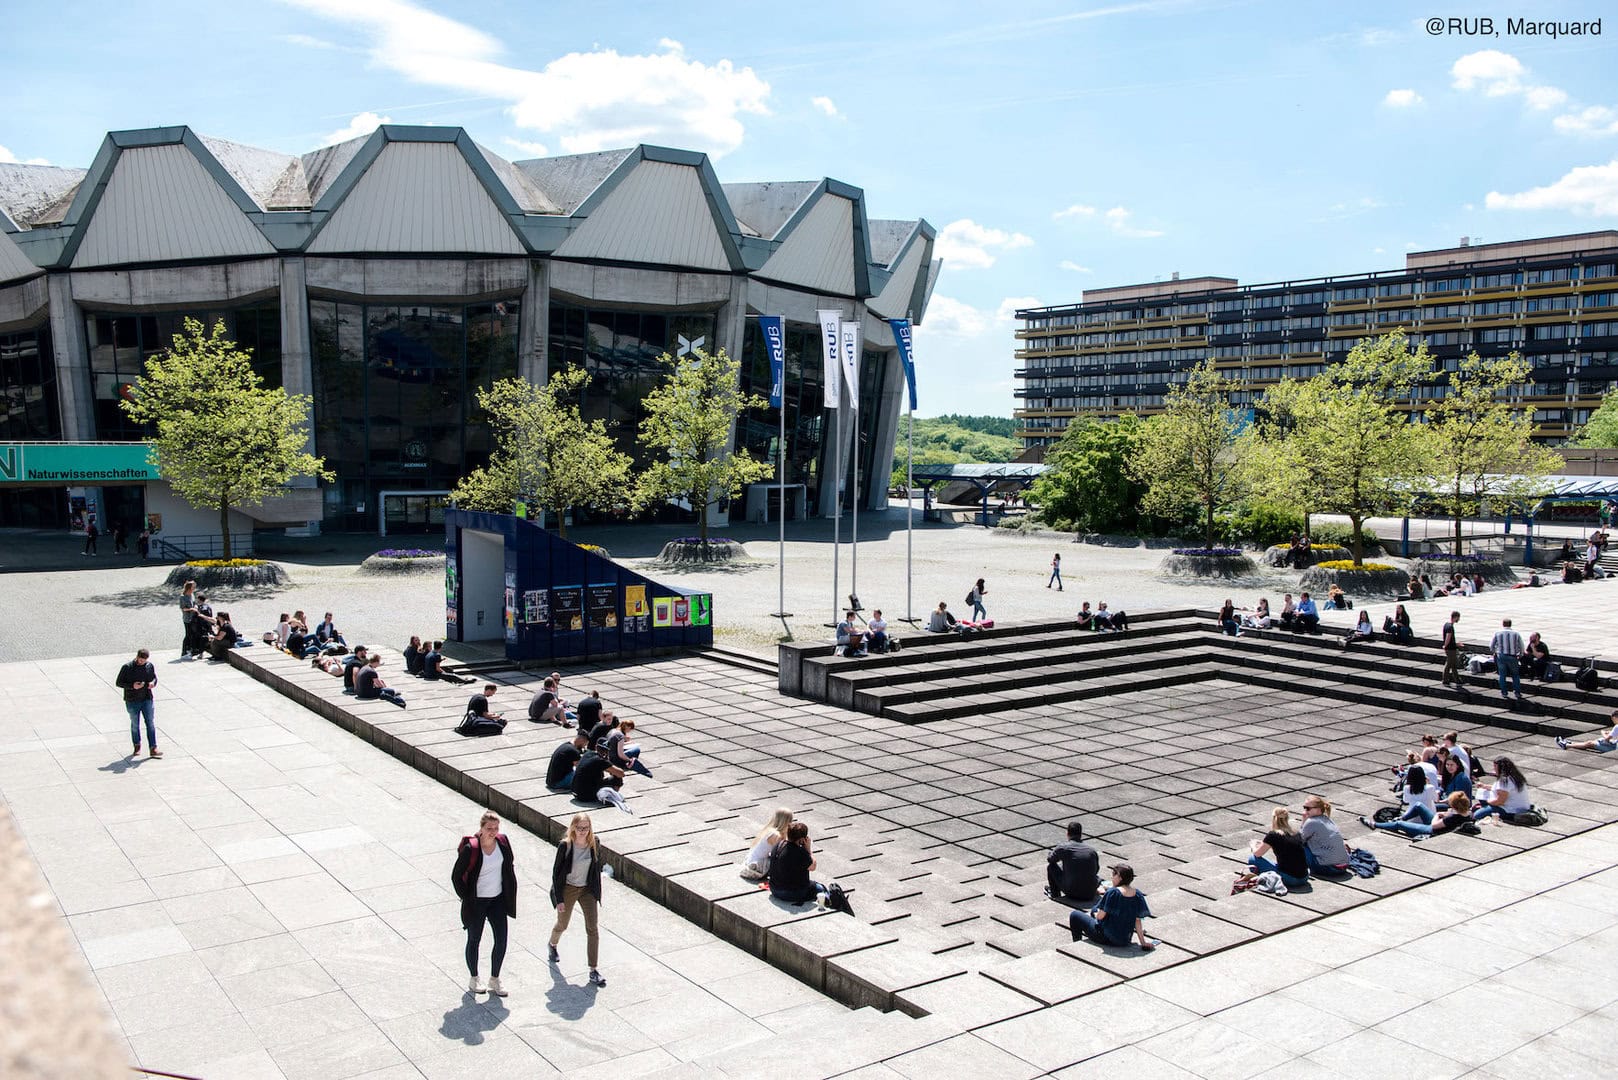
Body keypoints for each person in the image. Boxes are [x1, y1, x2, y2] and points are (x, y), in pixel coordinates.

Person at [452, 810, 516, 996]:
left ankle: (495, 979)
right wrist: (467, 897)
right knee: (474, 939)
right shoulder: (471, 849)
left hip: (497, 900)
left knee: (502, 939)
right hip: (477, 901)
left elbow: (508, 866)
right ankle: (474, 978)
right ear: (481, 829)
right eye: (489, 828)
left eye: (496, 828)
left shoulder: (503, 843)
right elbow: (456, 876)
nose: (493, 832)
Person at [548, 813, 607, 988]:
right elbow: (556, 874)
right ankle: (552, 943)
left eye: (586, 828)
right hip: (569, 888)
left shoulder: (594, 842)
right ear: (573, 828)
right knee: (562, 924)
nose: (583, 831)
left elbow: (595, 868)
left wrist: (596, 892)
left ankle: (593, 969)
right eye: (579, 828)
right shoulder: (565, 846)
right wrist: (559, 899)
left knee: (592, 928)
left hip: (587, 889)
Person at [1068, 863, 1156, 950]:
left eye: (1114, 875)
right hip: (1124, 939)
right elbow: (1138, 921)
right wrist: (1143, 942)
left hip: (1105, 937)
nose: (1112, 877)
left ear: (1120, 877)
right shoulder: (1138, 894)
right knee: (1098, 909)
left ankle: (1076, 944)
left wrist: (1095, 914)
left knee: (1075, 915)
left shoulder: (1113, 893)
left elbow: (1100, 917)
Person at [1244, 806, 1309, 889]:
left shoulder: (1273, 835)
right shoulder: (1295, 833)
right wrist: (1265, 844)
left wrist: (1253, 845)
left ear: (1274, 819)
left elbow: (1257, 854)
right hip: (1304, 877)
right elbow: (1286, 847)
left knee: (1252, 859)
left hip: (1291, 879)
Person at [115, 648, 162, 760]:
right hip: (132, 700)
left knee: (150, 723)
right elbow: (119, 682)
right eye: (140, 660)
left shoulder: (149, 666)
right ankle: (137, 745)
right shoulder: (127, 667)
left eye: (144, 660)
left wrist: (152, 683)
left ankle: (153, 747)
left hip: (146, 698)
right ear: (137, 657)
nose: (142, 662)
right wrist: (132, 686)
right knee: (135, 724)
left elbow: (154, 678)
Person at [1365, 793, 1474, 838]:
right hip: (1442, 825)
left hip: (1432, 830)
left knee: (1400, 824)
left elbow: (1434, 826)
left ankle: (1376, 824)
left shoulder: (1453, 817)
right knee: (1418, 806)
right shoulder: (1468, 813)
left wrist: (1437, 815)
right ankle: (1402, 817)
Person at [768, 821, 826, 904]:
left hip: (774, 889)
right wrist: (808, 849)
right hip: (791, 893)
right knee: (820, 888)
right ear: (802, 839)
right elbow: (813, 866)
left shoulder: (779, 845)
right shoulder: (799, 852)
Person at [1046, 820, 1100, 903]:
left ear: (1067, 834)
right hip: (1090, 893)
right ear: (1081, 834)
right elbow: (1096, 870)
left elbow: (1050, 859)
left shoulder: (1064, 847)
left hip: (1072, 892)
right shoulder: (1091, 851)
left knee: (1051, 867)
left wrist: (1052, 852)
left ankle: (1055, 895)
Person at [1298, 796, 1350, 878]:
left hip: (1328, 868)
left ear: (1318, 809)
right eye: (1304, 808)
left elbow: (1299, 840)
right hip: (1344, 866)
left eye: (1308, 808)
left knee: (1297, 847)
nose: (1305, 811)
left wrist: (1303, 821)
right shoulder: (1327, 819)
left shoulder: (1311, 822)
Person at [571, 746, 629, 814]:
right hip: (586, 796)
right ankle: (611, 797)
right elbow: (621, 773)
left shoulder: (588, 754)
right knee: (617, 778)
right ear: (607, 752)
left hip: (575, 792)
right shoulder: (600, 760)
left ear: (596, 747)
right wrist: (609, 764)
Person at [1472, 757, 1532, 821]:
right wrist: (1484, 786)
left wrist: (1488, 801)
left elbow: (1499, 801)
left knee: (1476, 815)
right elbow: (1500, 789)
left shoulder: (1504, 781)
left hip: (1510, 810)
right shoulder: (1515, 777)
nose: (1494, 769)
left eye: (1495, 766)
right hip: (1520, 807)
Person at [741, 808, 793, 881]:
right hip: (755, 868)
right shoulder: (776, 835)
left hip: (751, 862)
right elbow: (782, 854)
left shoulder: (770, 830)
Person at [1492, 618, 1525, 701]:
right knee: (1515, 675)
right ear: (1511, 624)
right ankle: (1517, 692)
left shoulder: (1498, 633)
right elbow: (1521, 646)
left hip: (1501, 656)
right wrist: (1520, 655)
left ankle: (1504, 692)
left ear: (1503, 624)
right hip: (1513, 656)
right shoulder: (1516, 634)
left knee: (1502, 675)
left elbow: (1491, 645)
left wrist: (1495, 652)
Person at [179, 580, 202, 658]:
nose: (194, 588)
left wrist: (195, 607)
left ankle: (191, 649)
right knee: (188, 634)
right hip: (187, 618)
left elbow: (194, 603)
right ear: (189, 588)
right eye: (193, 587)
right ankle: (184, 651)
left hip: (193, 618)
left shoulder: (191, 595)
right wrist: (191, 609)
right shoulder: (183, 597)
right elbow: (183, 608)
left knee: (193, 634)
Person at [1440, 610, 1462, 687]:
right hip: (1450, 649)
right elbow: (1448, 637)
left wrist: (1456, 644)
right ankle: (1445, 680)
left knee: (1453, 664)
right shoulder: (1450, 627)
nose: (1459, 619)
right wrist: (1445, 646)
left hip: (1451, 647)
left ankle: (1457, 680)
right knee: (1449, 664)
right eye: (1458, 618)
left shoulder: (1446, 625)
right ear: (1455, 617)